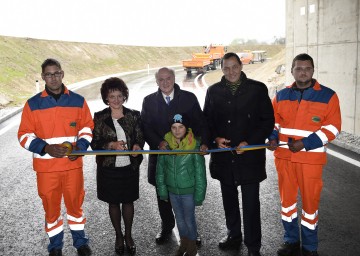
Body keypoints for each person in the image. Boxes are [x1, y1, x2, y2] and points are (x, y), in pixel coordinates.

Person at [17, 58, 94, 256]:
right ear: (43, 77)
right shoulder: (32, 104)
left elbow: (87, 127)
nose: (53, 78)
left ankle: (81, 243)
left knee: (75, 207)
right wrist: (45, 148)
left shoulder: (78, 100)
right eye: (49, 74)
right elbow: (24, 135)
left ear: (62, 74)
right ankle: (55, 247)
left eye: (56, 73)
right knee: (51, 210)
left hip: (72, 166)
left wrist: (81, 146)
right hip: (46, 169)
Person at [268, 53, 341, 256]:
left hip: (310, 161)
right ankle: (291, 241)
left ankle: (309, 247)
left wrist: (305, 143)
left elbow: (333, 128)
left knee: (310, 205)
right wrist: (272, 137)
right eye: (299, 68)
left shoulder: (328, 96)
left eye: (307, 68)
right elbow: (273, 122)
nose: (303, 72)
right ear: (292, 71)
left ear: (313, 70)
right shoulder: (280, 95)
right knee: (287, 204)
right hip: (284, 159)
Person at [203, 52, 275, 256]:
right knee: (229, 200)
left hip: (249, 156)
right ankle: (233, 236)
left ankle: (253, 246)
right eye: (226, 68)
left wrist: (250, 142)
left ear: (241, 66)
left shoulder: (257, 89)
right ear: (222, 68)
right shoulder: (213, 91)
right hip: (224, 156)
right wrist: (214, 138)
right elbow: (206, 120)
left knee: (251, 203)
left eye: (234, 67)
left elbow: (267, 120)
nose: (230, 71)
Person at [141, 67, 209, 244]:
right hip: (161, 155)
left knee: (187, 197)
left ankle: (192, 230)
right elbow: (145, 127)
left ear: (174, 78)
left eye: (168, 78)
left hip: (185, 158)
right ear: (156, 81)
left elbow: (200, 123)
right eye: (161, 79)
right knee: (162, 191)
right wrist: (158, 142)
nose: (165, 82)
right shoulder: (148, 101)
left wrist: (203, 142)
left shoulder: (188, 98)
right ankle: (167, 226)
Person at [90, 77, 144, 255]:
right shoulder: (99, 117)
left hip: (129, 167)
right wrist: (110, 145)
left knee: (128, 201)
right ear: (106, 97)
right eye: (111, 96)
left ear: (124, 96)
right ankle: (118, 235)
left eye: (119, 95)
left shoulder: (134, 115)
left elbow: (139, 138)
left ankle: (128, 235)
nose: (116, 99)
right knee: (113, 203)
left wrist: (137, 146)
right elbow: (95, 143)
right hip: (108, 168)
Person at [156, 113, 207, 256]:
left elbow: (200, 173)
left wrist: (199, 194)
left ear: (186, 128)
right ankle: (183, 245)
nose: (177, 130)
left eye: (181, 127)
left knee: (189, 220)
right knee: (179, 219)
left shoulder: (194, 145)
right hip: (173, 191)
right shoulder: (165, 146)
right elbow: (160, 171)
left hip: (188, 191)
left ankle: (191, 248)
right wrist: (163, 191)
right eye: (173, 127)